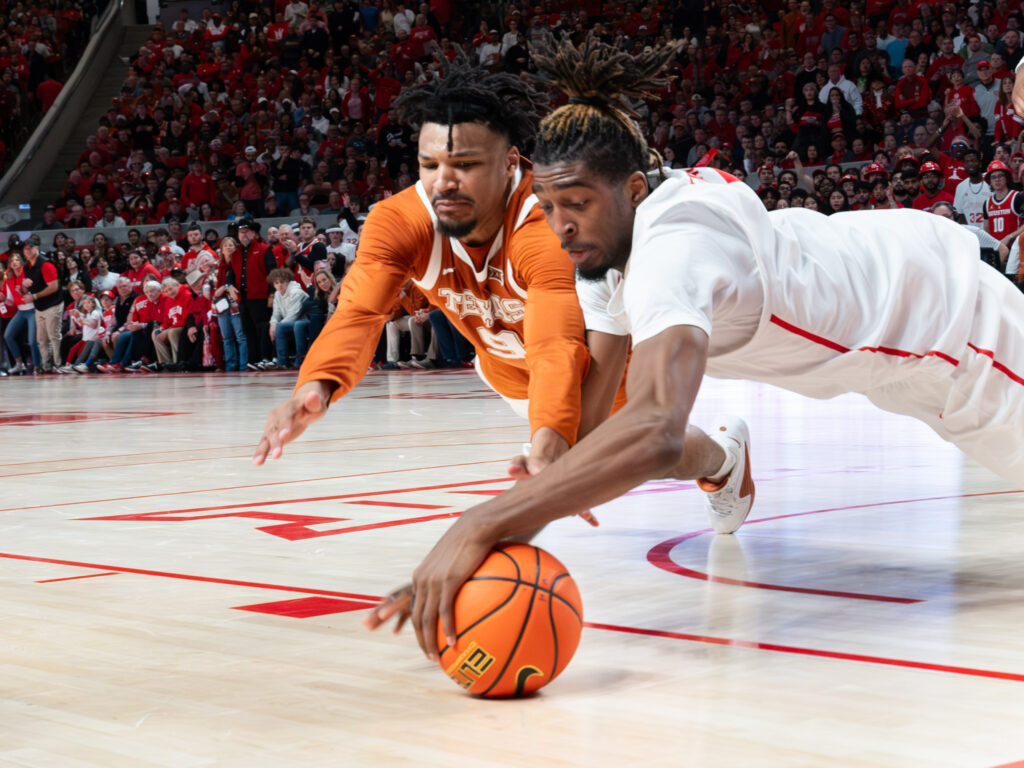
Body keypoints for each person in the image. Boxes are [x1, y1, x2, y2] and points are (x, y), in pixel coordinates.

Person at [384, 36, 1024, 661]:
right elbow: (593, 423)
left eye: (576, 203)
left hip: (953, 328)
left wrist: (481, 524)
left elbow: (654, 430)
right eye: (547, 206)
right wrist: (540, 474)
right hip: (889, 356)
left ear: (634, 189)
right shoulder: (606, 255)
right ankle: (724, 460)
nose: (560, 226)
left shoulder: (676, 246)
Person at [253, 59, 624, 483]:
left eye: (465, 165)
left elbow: (555, 346)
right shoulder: (399, 220)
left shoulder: (549, 220)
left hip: (612, 378)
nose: (444, 182)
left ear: (510, 162)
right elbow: (358, 314)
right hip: (514, 380)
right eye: (430, 165)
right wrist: (314, 386)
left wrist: (553, 438)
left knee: (660, 447)